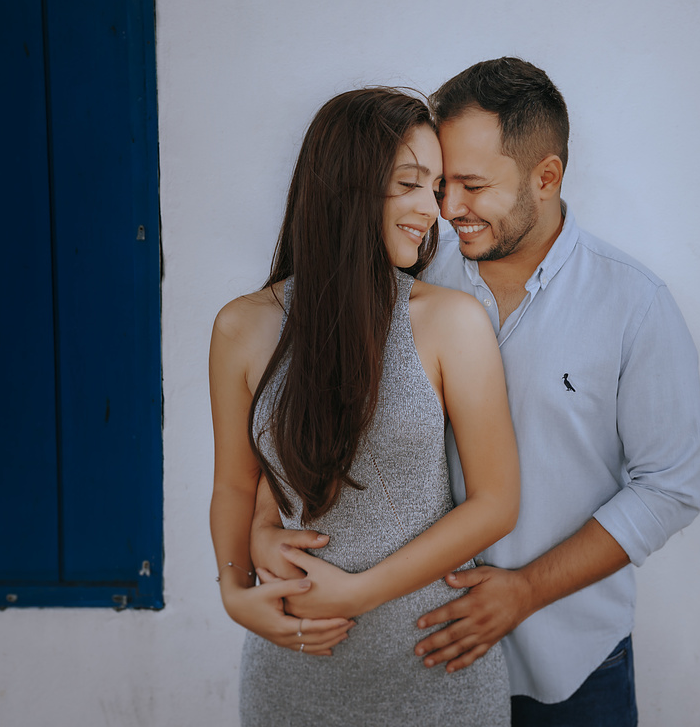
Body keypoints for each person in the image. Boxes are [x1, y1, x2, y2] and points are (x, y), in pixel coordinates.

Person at [254, 59, 700, 726]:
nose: (446, 208)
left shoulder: (634, 305)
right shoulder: (403, 279)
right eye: (440, 184)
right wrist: (266, 529)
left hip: (571, 666)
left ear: (545, 177)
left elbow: (668, 486)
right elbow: (311, 418)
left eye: (470, 185)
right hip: (415, 661)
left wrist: (526, 590)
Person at [208, 88, 519, 726]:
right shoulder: (243, 327)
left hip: (438, 669)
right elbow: (236, 486)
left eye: (434, 189)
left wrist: (355, 592)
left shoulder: (450, 322)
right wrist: (235, 594)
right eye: (410, 184)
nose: (430, 210)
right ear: (345, 186)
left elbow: (496, 504)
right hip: (292, 676)